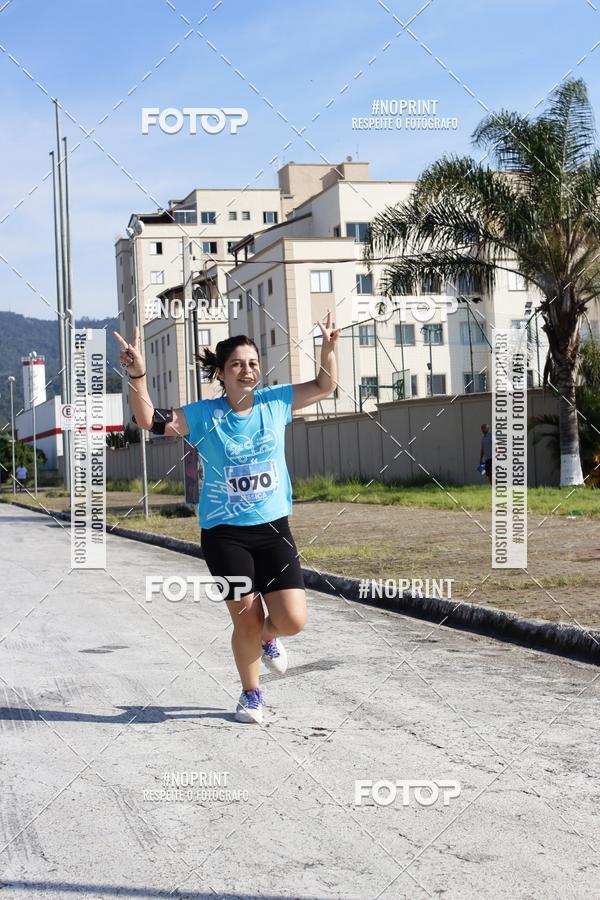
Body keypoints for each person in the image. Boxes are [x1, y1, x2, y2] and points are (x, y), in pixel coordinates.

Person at [113, 315, 340, 724]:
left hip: (273, 529)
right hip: (225, 535)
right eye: (237, 363)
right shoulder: (203, 415)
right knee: (247, 619)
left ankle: (268, 638)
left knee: (292, 620)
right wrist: (139, 374)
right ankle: (251, 694)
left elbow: (325, 386)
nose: (247, 369)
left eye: (252, 363)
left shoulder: (276, 401)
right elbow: (148, 420)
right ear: (220, 372)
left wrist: (327, 349)